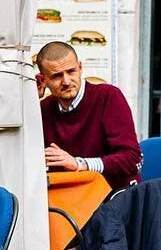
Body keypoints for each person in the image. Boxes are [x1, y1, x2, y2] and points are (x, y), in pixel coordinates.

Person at [37, 41, 142, 190]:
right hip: (70, 199)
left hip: (115, 197)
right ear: (43, 80)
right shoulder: (44, 107)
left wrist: (79, 164)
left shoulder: (108, 96)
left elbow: (132, 159)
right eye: (56, 76)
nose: (66, 81)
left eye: (71, 71)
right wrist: (30, 100)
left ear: (80, 68)